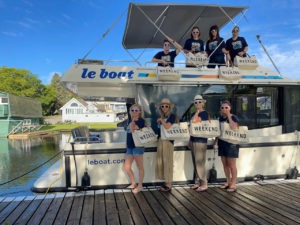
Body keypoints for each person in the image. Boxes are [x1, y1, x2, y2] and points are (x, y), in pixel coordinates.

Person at [215, 100, 239, 192]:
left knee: (232, 164)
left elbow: (234, 127)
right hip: (222, 142)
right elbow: (219, 131)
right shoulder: (220, 118)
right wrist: (215, 141)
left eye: (226, 107)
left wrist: (229, 115)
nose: (224, 109)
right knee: (225, 164)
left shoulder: (234, 117)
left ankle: (233, 183)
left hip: (231, 144)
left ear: (230, 108)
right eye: (222, 108)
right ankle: (228, 182)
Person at [156, 98, 177, 191]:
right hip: (162, 140)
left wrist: (161, 121)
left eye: (166, 106)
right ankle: (166, 182)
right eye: (162, 106)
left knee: (168, 161)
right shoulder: (163, 116)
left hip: (168, 141)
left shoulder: (171, 116)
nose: (164, 108)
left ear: (169, 107)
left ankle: (169, 183)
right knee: (162, 162)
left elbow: (168, 126)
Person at [124, 104, 146, 194]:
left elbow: (133, 129)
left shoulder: (141, 121)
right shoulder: (131, 120)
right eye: (132, 110)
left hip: (138, 146)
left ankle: (140, 185)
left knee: (140, 166)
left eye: (136, 110)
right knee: (127, 167)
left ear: (140, 111)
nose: (134, 112)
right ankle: (133, 183)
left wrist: (133, 121)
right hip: (130, 146)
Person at [190, 95, 209, 192]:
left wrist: (197, 111)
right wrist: (190, 140)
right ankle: (198, 182)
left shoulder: (204, 113)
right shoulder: (194, 113)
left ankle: (204, 183)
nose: (197, 103)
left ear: (203, 103)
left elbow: (194, 121)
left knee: (200, 162)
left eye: (199, 102)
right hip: (194, 140)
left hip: (201, 140)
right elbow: (192, 128)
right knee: (195, 162)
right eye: (196, 102)